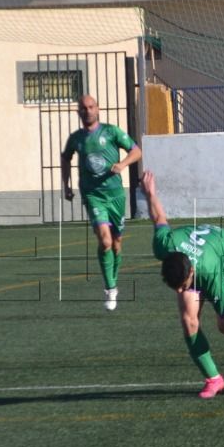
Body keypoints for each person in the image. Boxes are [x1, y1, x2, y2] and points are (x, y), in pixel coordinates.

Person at [141, 170, 224, 399]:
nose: (181, 291)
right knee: (188, 319)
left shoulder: (210, 275)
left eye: (183, 286)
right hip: (200, 251)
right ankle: (214, 379)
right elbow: (159, 220)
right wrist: (151, 194)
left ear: (191, 273)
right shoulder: (164, 247)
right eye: (176, 288)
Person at [61, 94, 142, 311]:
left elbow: (136, 151)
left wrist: (123, 163)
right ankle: (110, 288)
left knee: (116, 244)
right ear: (78, 112)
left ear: (98, 109)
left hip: (115, 195)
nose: (87, 111)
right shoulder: (76, 138)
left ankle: (113, 281)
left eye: (91, 107)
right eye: (83, 108)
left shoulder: (112, 132)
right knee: (105, 241)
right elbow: (65, 157)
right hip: (93, 195)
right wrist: (66, 185)